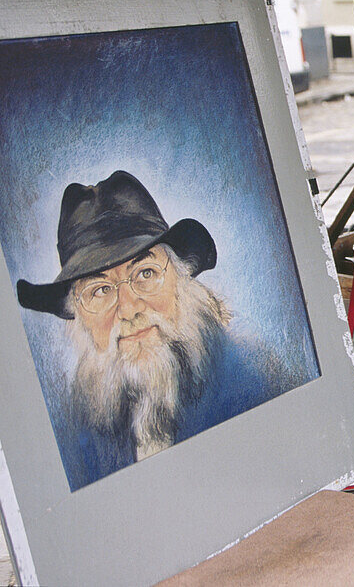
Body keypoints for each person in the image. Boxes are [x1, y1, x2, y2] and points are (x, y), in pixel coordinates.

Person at [16, 171, 281, 489]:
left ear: (181, 279)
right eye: (99, 291)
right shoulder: (73, 426)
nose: (128, 309)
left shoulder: (256, 379)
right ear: (78, 316)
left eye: (145, 272)